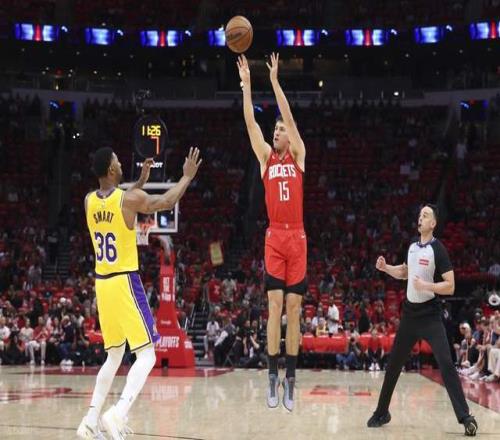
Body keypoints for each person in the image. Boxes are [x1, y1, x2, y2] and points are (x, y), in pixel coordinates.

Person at [77, 147, 201, 439]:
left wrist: (141, 181)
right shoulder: (129, 199)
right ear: (111, 169)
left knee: (113, 355)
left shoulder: (88, 200)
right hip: (124, 281)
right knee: (147, 355)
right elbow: (167, 200)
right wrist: (186, 177)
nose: (122, 163)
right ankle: (118, 413)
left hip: (102, 283)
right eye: (117, 161)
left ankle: (90, 421)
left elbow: (114, 197)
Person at [367, 204, 478, 436]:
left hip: (430, 316)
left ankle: (465, 416)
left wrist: (426, 286)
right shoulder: (412, 246)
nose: (420, 218)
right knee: (393, 365)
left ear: (433, 223)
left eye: (425, 215)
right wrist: (386, 268)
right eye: (420, 214)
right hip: (409, 316)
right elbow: (405, 272)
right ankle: (382, 412)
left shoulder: (439, 249)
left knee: (446, 363)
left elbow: (450, 286)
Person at [238, 52, 307, 411]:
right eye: (275, 129)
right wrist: (248, 86)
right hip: (275, 237)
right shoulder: (266, 159)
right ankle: (270, 376)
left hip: (297, 237)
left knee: (293, 309)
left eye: (280, 130)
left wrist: (275, 81)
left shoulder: (298, 155)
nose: (277, 132)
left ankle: (290, 379)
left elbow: (290, 118)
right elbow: (251, 123)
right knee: (274, 306)